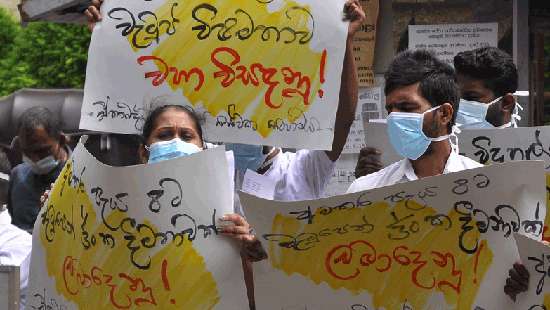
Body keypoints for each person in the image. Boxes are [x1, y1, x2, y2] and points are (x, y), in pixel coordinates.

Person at [85, 0, 363, 202]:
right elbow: (144, 100)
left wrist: (346, 43)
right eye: (230, 108)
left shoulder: (302, 169)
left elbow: (343, 119)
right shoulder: (198, 171)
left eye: (251, 111)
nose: (240, 117)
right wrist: (109, 38)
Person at [347, 49, 483, 193]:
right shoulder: (366, 189)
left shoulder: (484, 184)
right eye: (390, 110)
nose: (394, 118)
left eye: (406, 107)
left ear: (444, 114)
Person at [8, 107, 70, 233]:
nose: (34, 159)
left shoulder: (83, 178)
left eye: (42, 151)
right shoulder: (18, 175)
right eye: (27, 152)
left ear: (61, 141)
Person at [453, 46, 521, 129]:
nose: (458, 106)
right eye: (455, 97)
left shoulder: (533, 141)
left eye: (471, 98)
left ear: (506, 103)